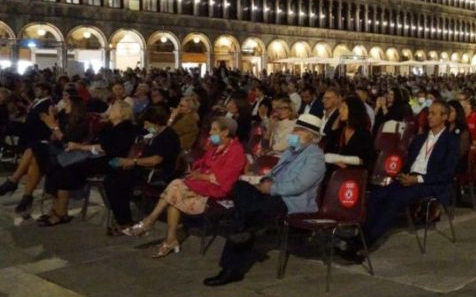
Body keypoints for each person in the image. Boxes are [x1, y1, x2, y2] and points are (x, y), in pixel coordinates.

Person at [204, 113, 326, 286]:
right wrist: (262, 181)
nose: (294, 133)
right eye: (295, 129)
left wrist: (272, 188)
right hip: (270, 191)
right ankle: (247, 228)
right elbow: (273, 173)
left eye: (299, 131)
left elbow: (299, 185)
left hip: (290, 201)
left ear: (311, 136)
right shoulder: (291, 152)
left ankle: (231, 268)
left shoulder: (315, 157)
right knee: (240, 188)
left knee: (244, 220)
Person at [124, 117, 246, 258]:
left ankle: (149, 222)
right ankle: (169, 240)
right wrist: (194, 168)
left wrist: (200, 176)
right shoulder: (215, 147)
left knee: (175, 185)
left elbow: (225, 179)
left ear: (225, 132)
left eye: (214, 130)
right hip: (200, 183)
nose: (210, 133)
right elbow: (203, 163)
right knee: (174, 197)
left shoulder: (236, 152)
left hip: (216, 189)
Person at [348, 101, 458, 255]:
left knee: (395, 199)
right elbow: (408, 163)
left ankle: (365, 243)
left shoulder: (451, 141)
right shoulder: (420, 138)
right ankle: (360, 237)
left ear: (445, 116)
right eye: (429, 113)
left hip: (429, 183)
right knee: (377, 194)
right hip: (409, 179)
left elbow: (447, 173)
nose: (429, 117)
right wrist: (404, 175)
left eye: (434, 113)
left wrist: (417, 180)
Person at [39, 100, 138, 225]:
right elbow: (96, 143)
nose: (110, 110)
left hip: (109, 160)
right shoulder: (109, 126)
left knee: (65, 172)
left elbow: (105, 147)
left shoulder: (125, 128)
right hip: (95, 156)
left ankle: (61, 213)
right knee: (54, 168)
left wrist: (79, 147)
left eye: (114, 109)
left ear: (122, 113)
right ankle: (56, 209)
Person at [102, 106, 181, 234]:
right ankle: (122, 217)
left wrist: (132, 161)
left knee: (115, 182)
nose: (145, 126)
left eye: (147, 123)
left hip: (157, 173)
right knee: (112, 175)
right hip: (142, 168)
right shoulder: (154, 132)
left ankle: (124, 222)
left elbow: (156, 159)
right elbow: (141, 139)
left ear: (156, 122)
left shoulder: (168, 136)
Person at [322, 96, 376, 176]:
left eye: (344, 108)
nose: (340, 111)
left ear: (353, 110)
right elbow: (327, 153)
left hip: (354, 175)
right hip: (334, 172)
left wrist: (343, 161)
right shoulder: (339, 131)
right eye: (340, 108)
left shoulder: (363, 134)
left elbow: (366, 160)